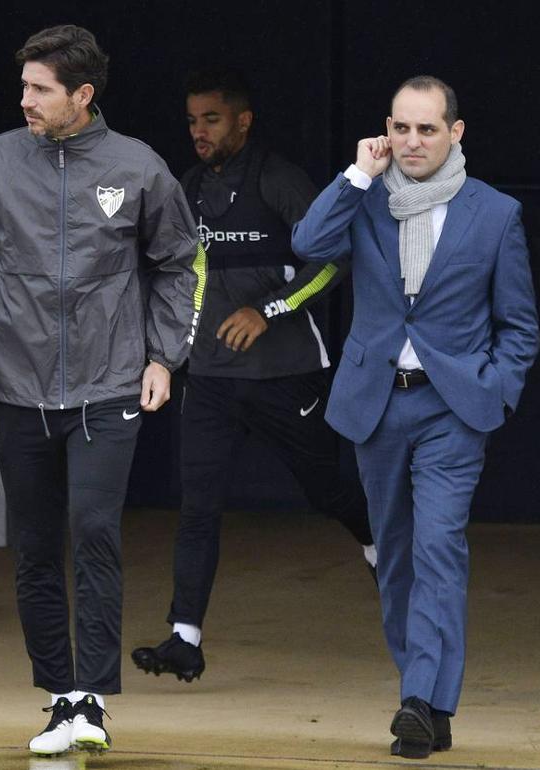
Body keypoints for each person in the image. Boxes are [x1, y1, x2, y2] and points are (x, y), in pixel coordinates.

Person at [0, 25, 200, 757]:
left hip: (109, 383)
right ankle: (60, 697)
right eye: (23, 86)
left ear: (81, 95)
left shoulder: (138, 166)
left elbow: (180, 262)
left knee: (93, 531)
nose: (24, 99)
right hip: (15, 387)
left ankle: (93, 696)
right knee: (33, 546)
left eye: (39, 89)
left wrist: (163, 356)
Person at [291, 76, 539, 759]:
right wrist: (355, 175)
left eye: (427, 129)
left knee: (437, 547)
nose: (412, 141)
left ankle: (415, 700)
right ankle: (430, 699)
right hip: (376, 404)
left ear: (456, 133)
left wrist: (495, 390)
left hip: (451, 409)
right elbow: (309, 244)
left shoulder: (495, 214)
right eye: (401, 128)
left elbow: (519, 326)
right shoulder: (365, 201)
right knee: (395, 555)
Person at [130, 69, 376, 683]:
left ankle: (379, 546)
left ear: (243, 120)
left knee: (325, 489)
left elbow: (335, 262)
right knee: (197, 508)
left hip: (286, 373)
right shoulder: (186, 188)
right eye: (191, 121)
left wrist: (269, 310)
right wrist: (171, 351)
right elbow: (185, 277)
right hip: (211, 378)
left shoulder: (280, 179)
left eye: (211, 119)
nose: (198, 132)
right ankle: (184, 638)